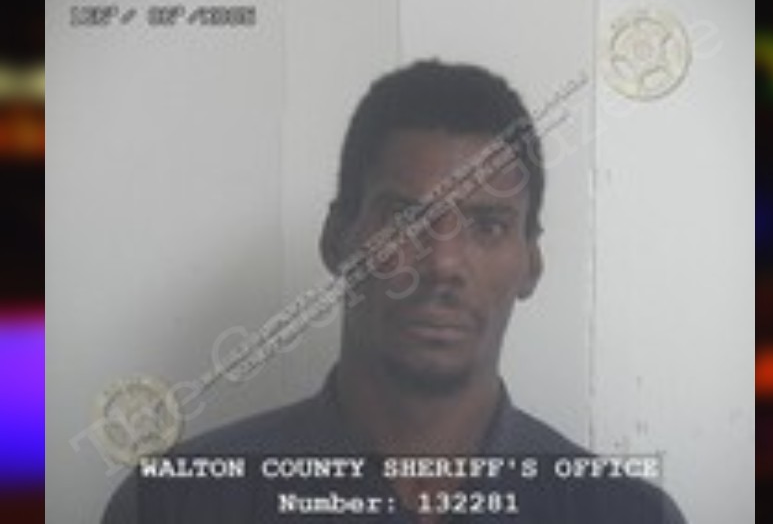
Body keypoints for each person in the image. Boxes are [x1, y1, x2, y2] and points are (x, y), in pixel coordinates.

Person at [103, 60, 685, 523]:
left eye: (488, 226)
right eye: (406, 220)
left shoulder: (624, 514)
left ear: (531, 263)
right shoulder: (177, 505)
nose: (443, 264)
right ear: (337, 240)